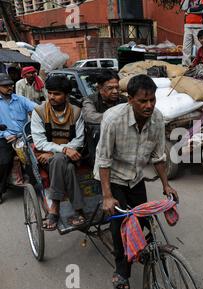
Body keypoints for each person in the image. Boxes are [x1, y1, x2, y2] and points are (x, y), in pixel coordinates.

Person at [95, 74, 179, 289]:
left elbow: (158, 157)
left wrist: (166, 185)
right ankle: (122, 271)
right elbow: (103, 160)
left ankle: (140, 249)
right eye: (143, 101)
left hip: (136, 177)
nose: (149, 105)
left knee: (143, 218)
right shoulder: (113, 119)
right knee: (120, 226)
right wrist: (106, 196)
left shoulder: (158, 119)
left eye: (152, 100)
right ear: (130, 99)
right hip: (112, 177)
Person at [31, 75, 86, 230]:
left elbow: (79, 140)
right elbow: (40, 142)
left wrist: (63, 152)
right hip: (46, 157)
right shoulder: (39, 111)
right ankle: (78, 210)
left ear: (67, 95)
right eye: (50, 93)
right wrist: (64, 150)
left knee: (62, 162)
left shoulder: (76, 112)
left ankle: (54, 208)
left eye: (57, 94)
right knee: (61, 161)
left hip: (65, 157)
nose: (52, 97)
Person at [0, 73, 36, 204]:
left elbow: (37, 108)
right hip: (5, 137)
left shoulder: (20, 99)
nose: (9, 87)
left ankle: (34, 184)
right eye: (5, 86)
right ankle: (1, 190)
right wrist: (5, 134)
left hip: (23, 136)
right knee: (4, 161)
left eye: (10, 85)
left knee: (35, 157)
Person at [81, 70, 127, 166]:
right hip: (98, 142)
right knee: (97, 128)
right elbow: (90, 117)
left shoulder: (123, 100)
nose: (115, 91)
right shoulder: (90, 100)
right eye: (110, 88)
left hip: (121, 139)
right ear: (100, 88)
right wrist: (116, 117)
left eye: (116, 87)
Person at [180, 0, 203, 67]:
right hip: (188, 25)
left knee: (200, 47)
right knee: (186, 47)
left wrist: (189, 10)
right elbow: (183, 7)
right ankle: (186, 65)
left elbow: (202, 9)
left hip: (199, 26)